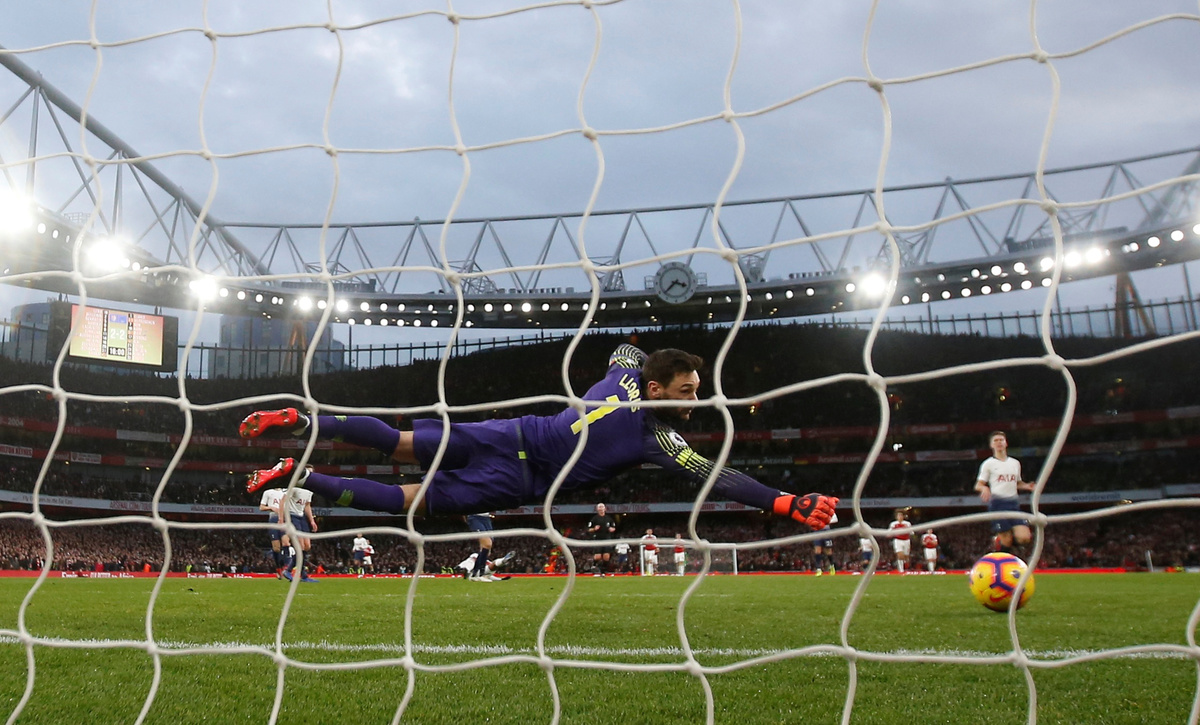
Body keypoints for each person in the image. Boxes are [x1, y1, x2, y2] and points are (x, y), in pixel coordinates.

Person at [241, 345, 838, 535]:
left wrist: (638, 361)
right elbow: (717, 476)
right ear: (658, 388)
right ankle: (303, 475)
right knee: (407, 501)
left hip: (510, 432)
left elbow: (623, 352)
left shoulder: (625, 376)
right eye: (686, 390)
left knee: (397, 442)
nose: (694, 399)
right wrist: (784, 501)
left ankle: (301, 421)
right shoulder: (658, 437)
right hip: (518, 476)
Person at [975, 430, 1036, 555]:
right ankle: (1002, 553)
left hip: (1014, 505)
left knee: (1024, 538)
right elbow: (978, 485)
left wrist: (1027, 486)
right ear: (991, 445)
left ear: (1006, 443)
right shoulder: (988, 464)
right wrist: (985, 488)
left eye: (1001, 440)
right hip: (998, 505)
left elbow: (1017, 483)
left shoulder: (1015, 463)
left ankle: (1000, 540)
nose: (999, 443)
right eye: (996, 441)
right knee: (1007, 541)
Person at [281, 486, 319, 583]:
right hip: (291, 515)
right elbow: (283, 501)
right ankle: (289, 570)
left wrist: (312, 521)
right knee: (300, 546)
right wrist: (281, 519)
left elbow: (307, 505)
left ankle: (301, 575)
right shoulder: (295, 488)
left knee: (307, 546)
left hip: (301, 517)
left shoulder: (309, 490)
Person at [466, 512, 513, 581]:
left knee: (486, 550)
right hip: (475, 517)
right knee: (487, 544)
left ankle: (475, 574)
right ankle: (481, 574)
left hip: (486, 518)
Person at [259, 487, 287, 580]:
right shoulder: (268, 492)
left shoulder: (287, 491)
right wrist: (271, 507)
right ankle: (279, 569)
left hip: (285, 519)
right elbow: (261, 507)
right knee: (276, 548)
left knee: (286, 543)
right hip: (273, 519)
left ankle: (286, 568)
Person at [587, 503, 617, 576]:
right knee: (598, 556)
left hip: (607, 539)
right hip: (598, 539)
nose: (601, 508)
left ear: (605, 509)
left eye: (602, 507)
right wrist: (594, 529)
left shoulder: (609, 518)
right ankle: (594, 565)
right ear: (597, 509)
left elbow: (614, 528)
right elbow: (589, 529)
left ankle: (603, 571)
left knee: (606, 557)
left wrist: (612, 529)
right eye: (599, 507)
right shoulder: (594, 519)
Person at [887, 508, 910, 573]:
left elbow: (911, 532)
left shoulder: (907, 524)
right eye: (898, 515)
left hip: (906, 540)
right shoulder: (893, 524)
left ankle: (905, 565)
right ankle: (901, 570)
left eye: (901, 515)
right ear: (896, 517)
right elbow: (889, 532)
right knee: (900, 555)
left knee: (906, 556)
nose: (900, 517)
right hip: (898, 540)